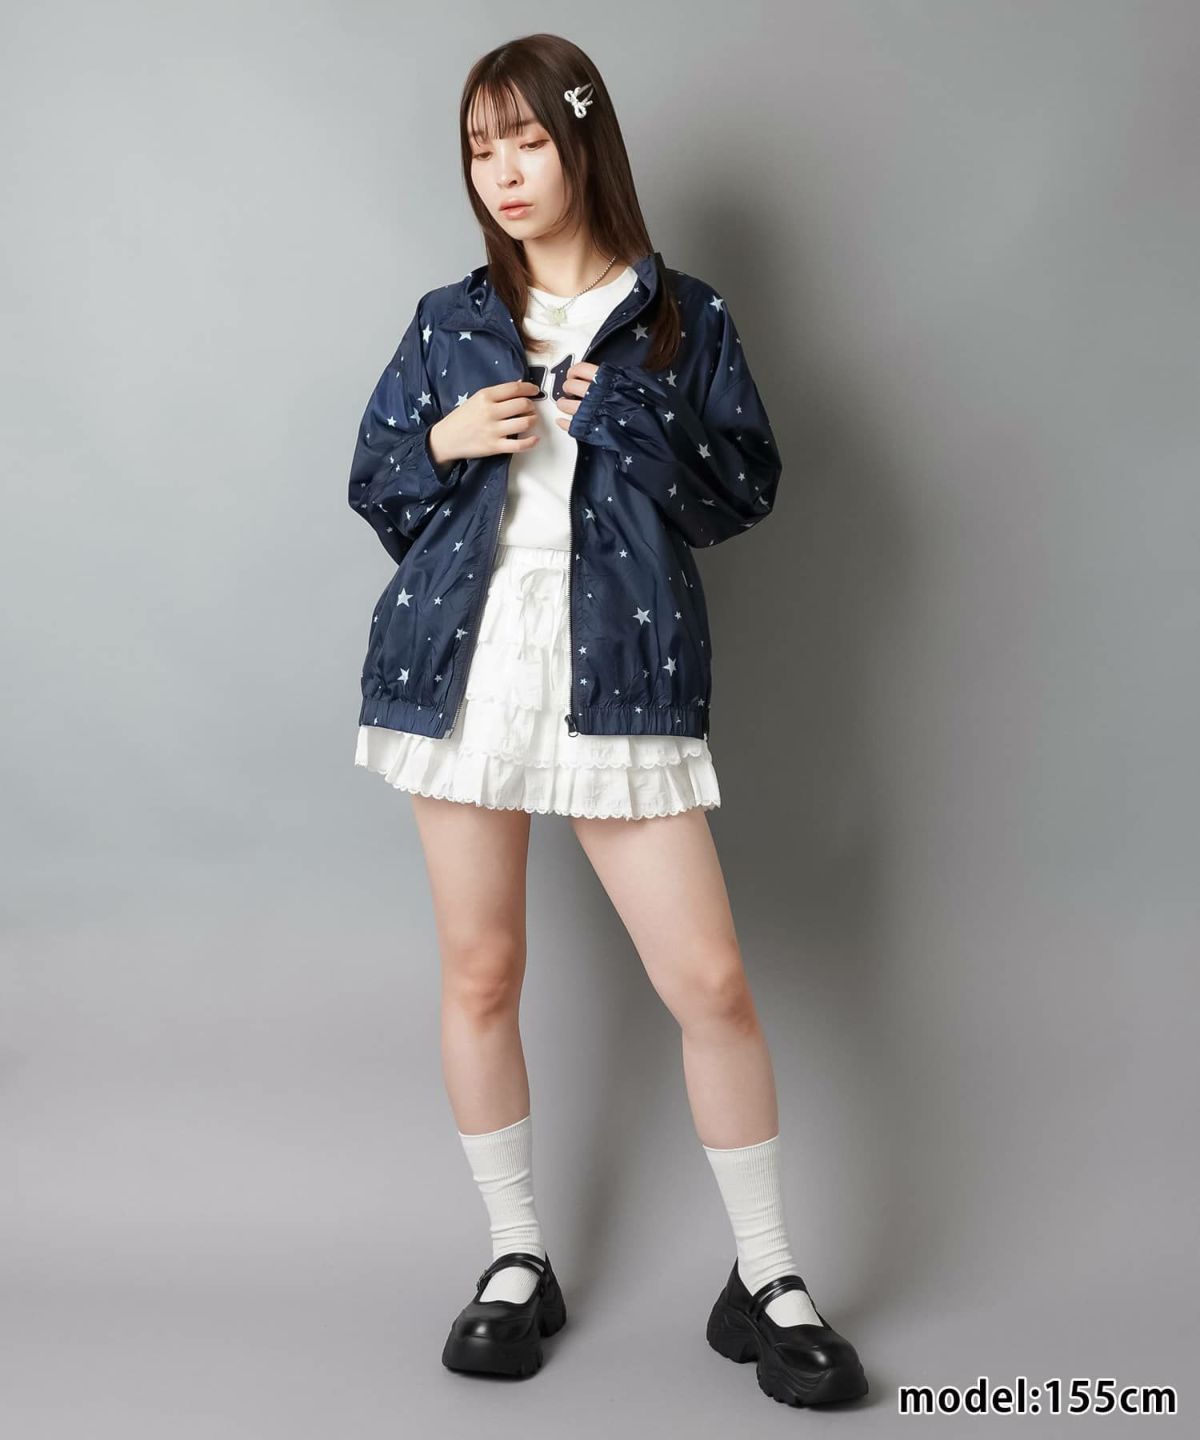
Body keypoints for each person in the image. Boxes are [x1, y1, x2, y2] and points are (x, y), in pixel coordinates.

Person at [346, 32, 868, 1409]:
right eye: (481, 148)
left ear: (584, 142)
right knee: (481, 973)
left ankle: (768, 1279)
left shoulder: (682, 319)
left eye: (527, 139)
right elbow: (378, 483)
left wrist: (625, 413)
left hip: (620, 671)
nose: (504, 172)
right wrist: (446, 442)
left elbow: (740, 491)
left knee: (711, 985)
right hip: (459, 669)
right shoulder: (449, 320)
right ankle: (516, 1258)